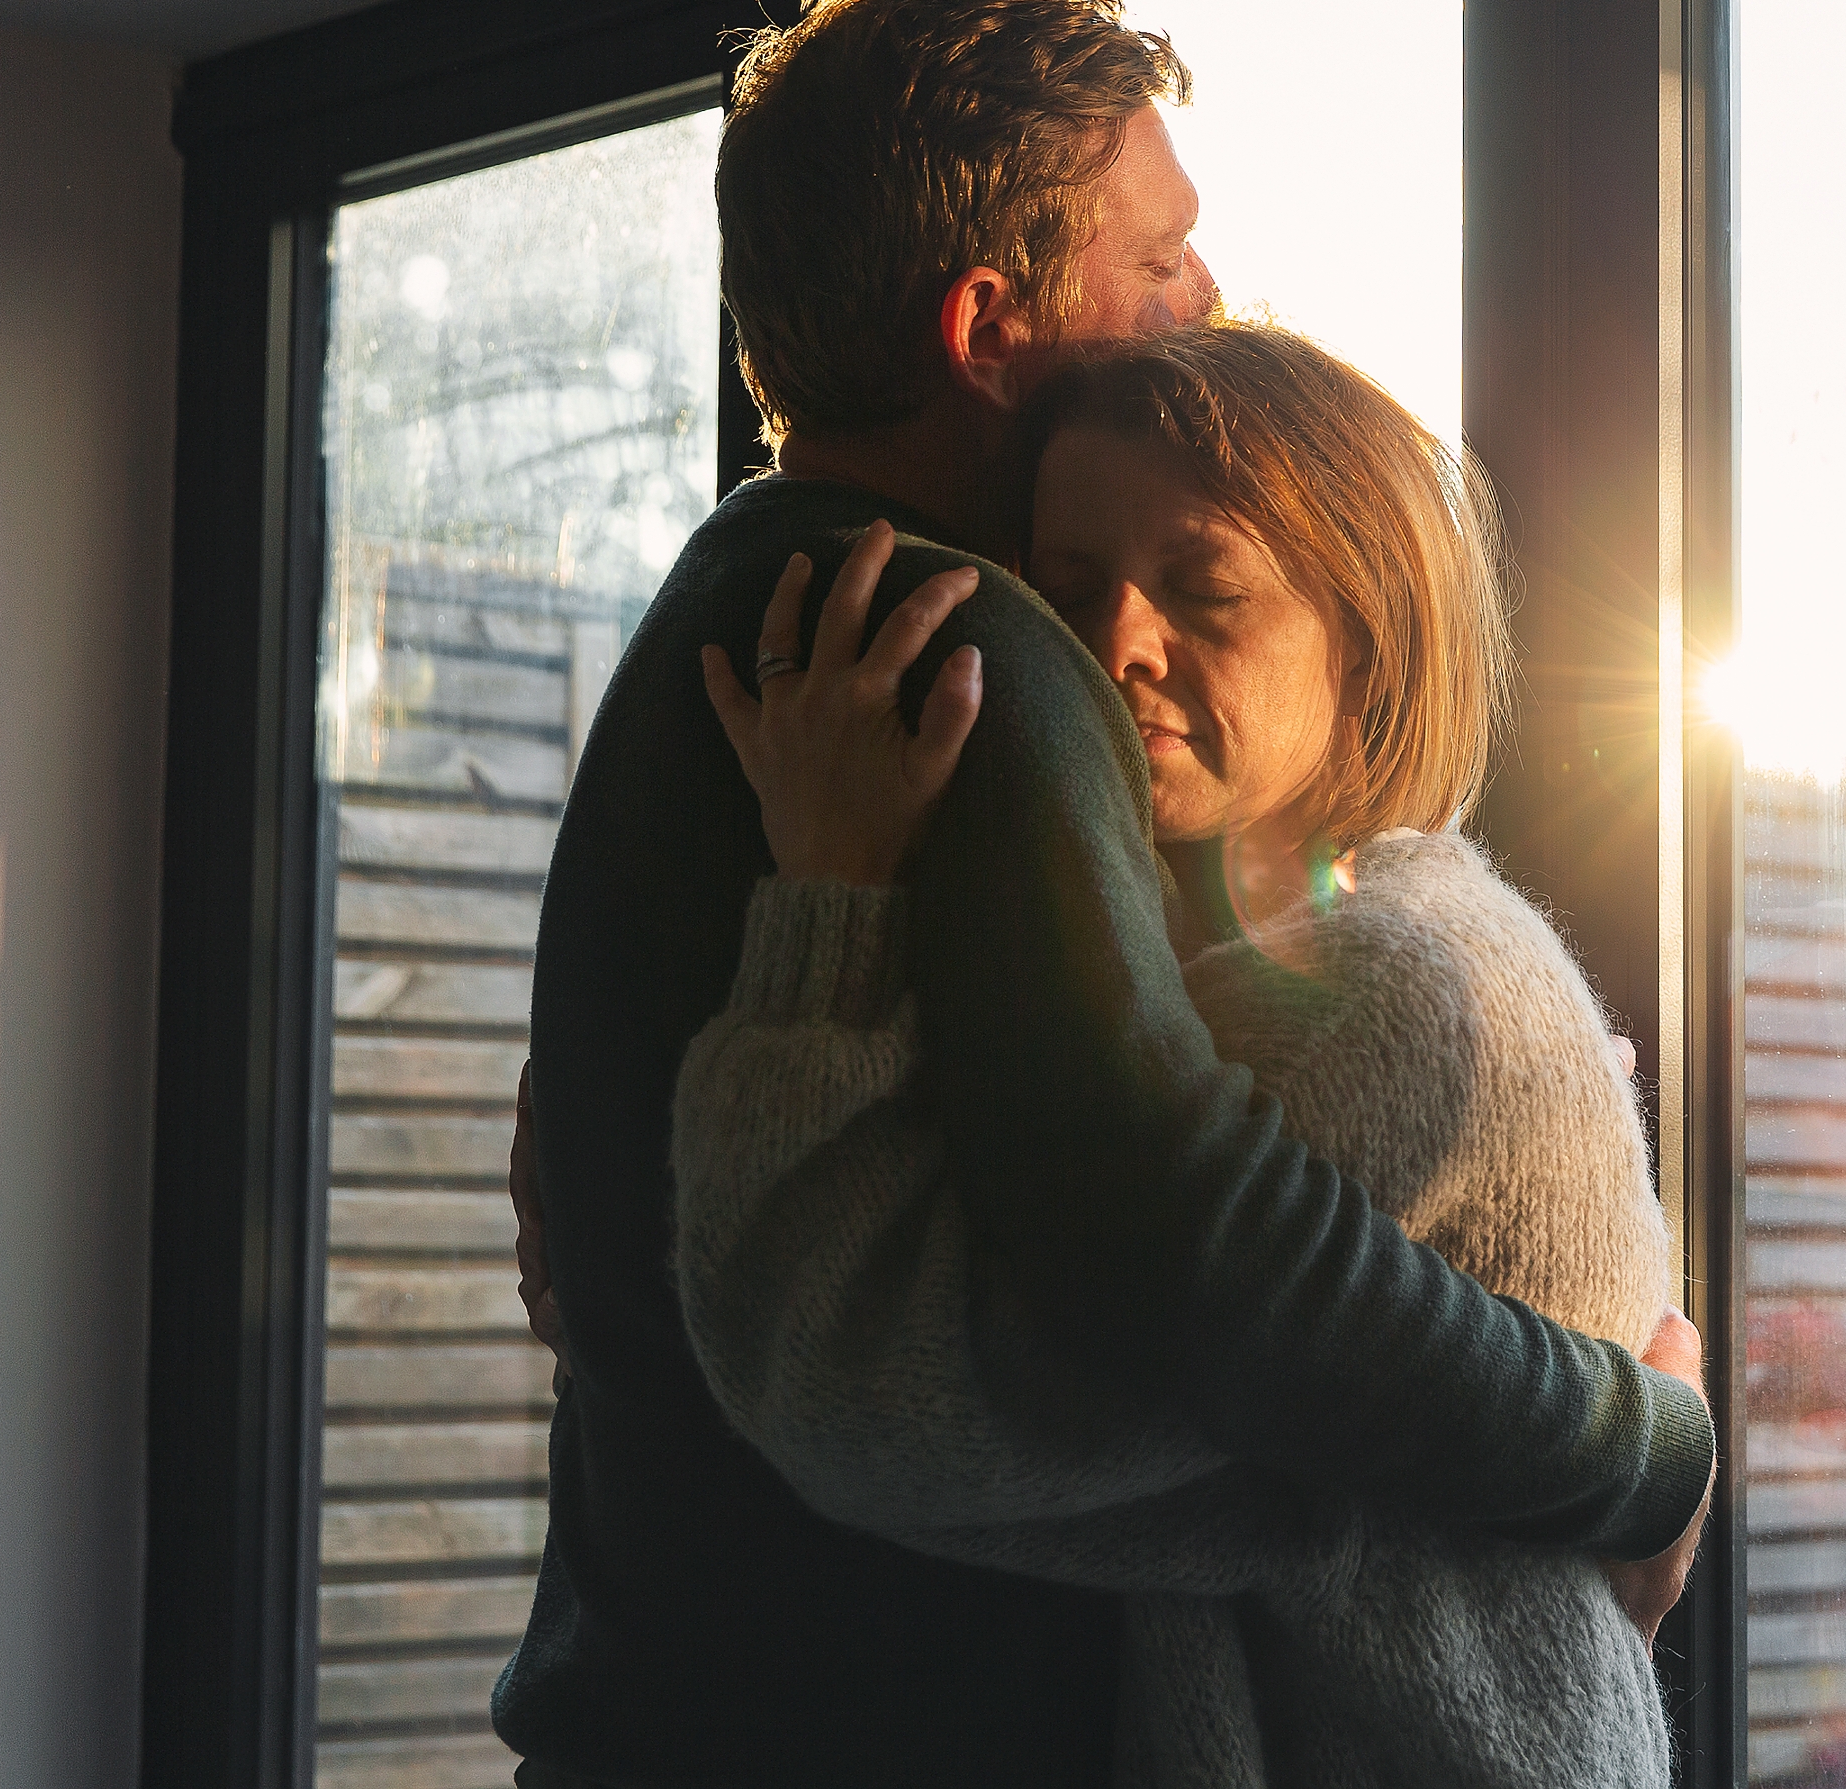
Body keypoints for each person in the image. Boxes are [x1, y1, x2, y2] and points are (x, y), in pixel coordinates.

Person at [495, 0, 1711, 1787]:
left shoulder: (722, 604)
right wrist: (1635, 1450)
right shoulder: (963, 652)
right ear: (990, 321)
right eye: (1158, 258)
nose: (1201, 297)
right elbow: (1198, 1249)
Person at [677, 324, 1688, 1787]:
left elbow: (876, 1393)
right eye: (1064, 591)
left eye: (1205, 587)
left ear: (1370, 640)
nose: (1114, 646)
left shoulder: (1396, 985)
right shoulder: (1228, 961)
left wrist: (832, 904)